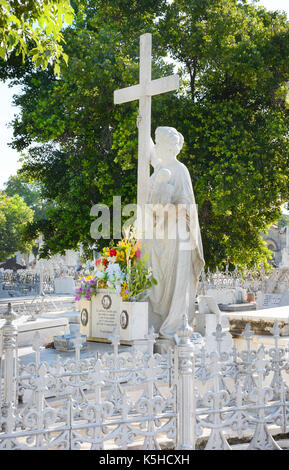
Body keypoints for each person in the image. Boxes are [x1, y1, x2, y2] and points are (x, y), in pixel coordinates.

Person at [145, 126, 205, 339]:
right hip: (158, 234)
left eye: (159, 143)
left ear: (169, 147)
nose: (157, 146)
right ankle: (156, 321)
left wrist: (168, 208)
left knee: (176, 282)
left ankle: (175, 324)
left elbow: (188, 207)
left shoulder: (180, 170)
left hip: (177, 236)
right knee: (156, 281)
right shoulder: (159, 169)